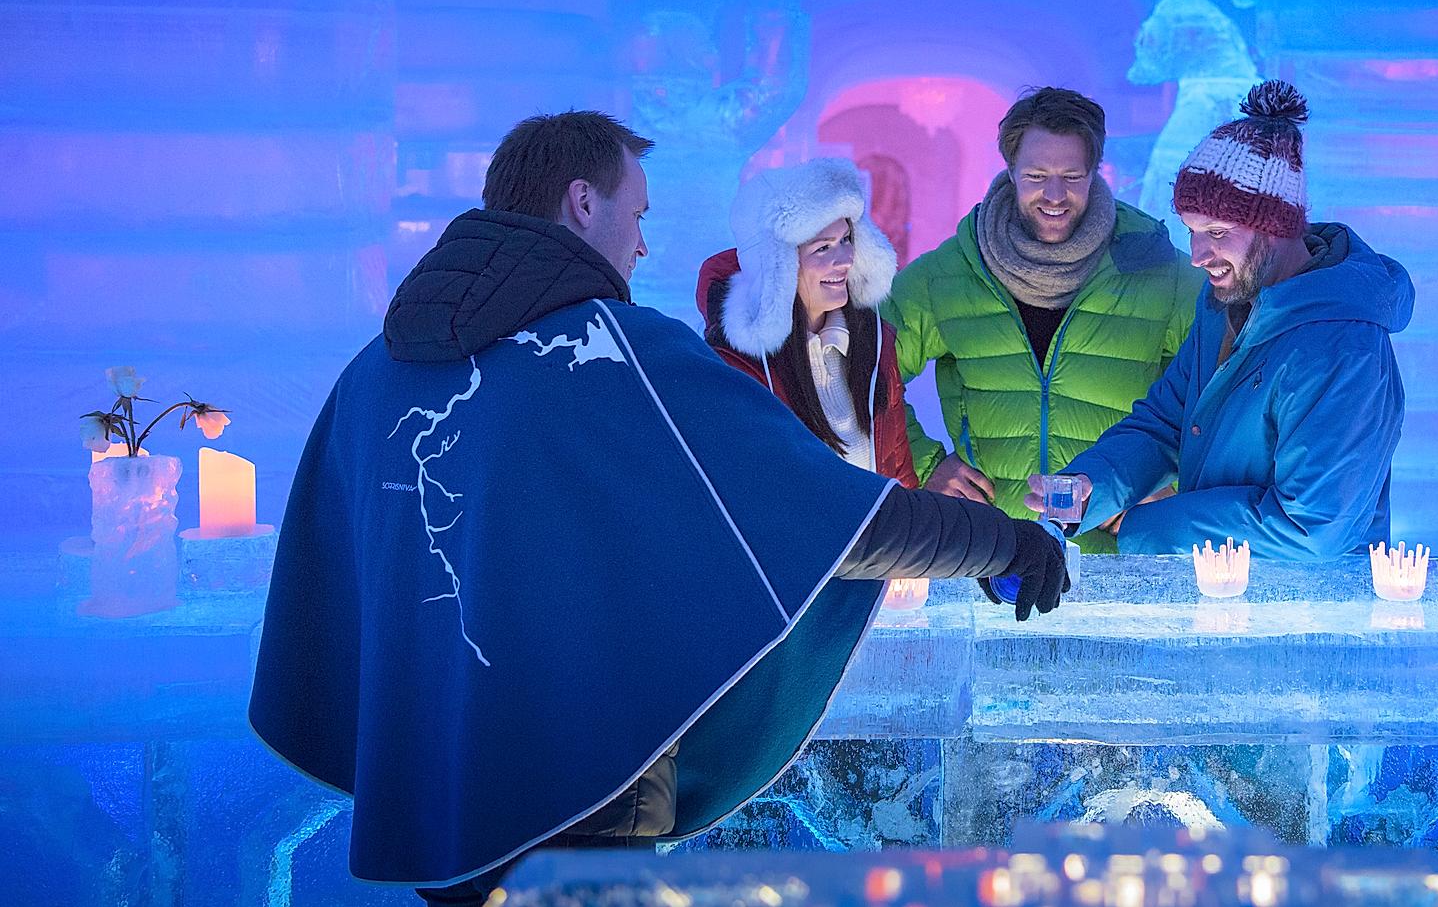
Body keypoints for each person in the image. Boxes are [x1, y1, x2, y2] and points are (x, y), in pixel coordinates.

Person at [249, 112, 1065, 906]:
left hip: (433, 791)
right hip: (587, 802)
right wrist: (1006, 543)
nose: (641, 243)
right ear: (580, 203)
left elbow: (325, 571)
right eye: (636, 214)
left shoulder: (374, 373)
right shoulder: (619, 354)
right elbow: (830, 517)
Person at [1028, 81, 1411, 559]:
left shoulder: (1343, 348)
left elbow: (1313, 528)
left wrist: (1147, 527)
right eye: (1191, 230)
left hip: (1309, 620)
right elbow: (1165, 424)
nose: (1197, 255)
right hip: (1222, 595)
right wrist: (1093, 485)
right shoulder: (1226, 307)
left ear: (1277, 229)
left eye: (1217, 232)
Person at [883, 87, 1205, 551]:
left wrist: (1169, 478)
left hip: (1114, 567)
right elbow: (861, 367)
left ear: (1095, 173)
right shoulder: (949, 275)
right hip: (990, 554)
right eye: (1036, 175)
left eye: (1072, 176)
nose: (1055, 195)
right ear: (1010, 171)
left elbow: (1224, 387)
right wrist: (925, 464)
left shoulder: (1158, 273)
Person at [696, 158, 917, 483]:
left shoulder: (875, 344)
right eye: (823, 248)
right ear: (777, 270)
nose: (845, 260)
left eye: (846, 240)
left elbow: (899, 477)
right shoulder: (736, 370)